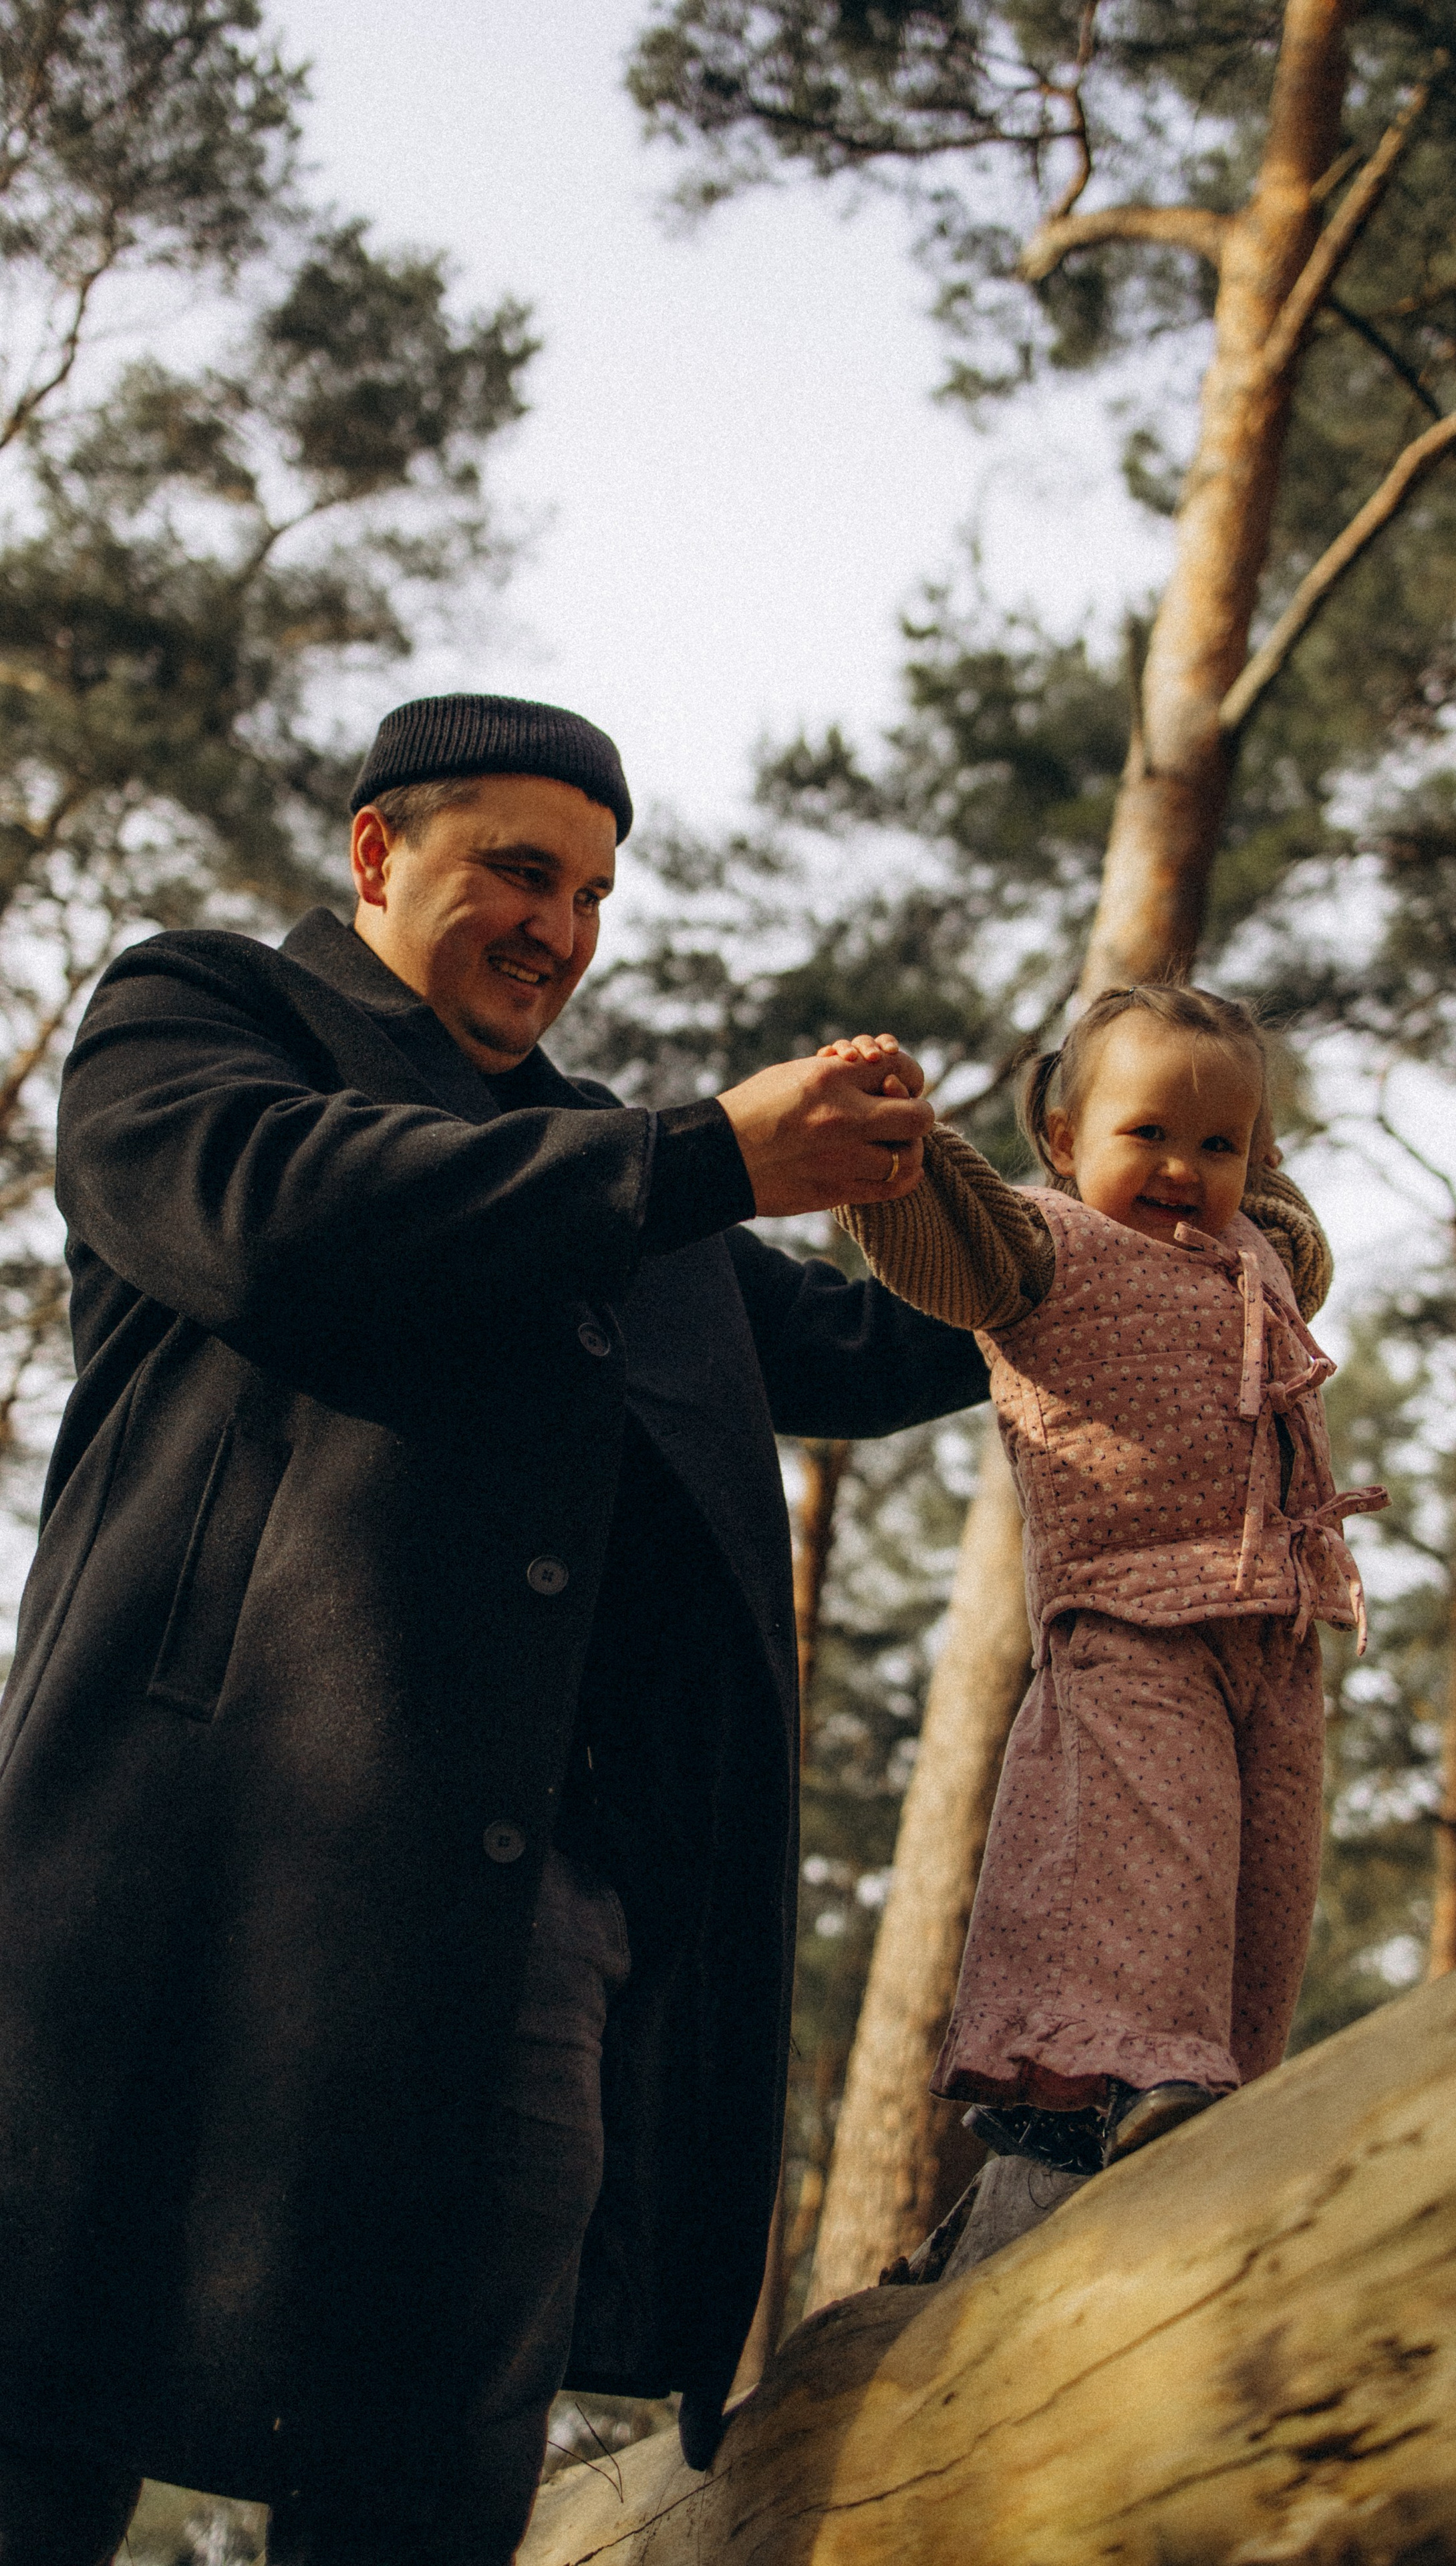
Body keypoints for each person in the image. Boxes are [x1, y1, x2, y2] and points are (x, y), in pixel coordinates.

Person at [0, 693, 989, 2566]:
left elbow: (860, 1350)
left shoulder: (618, 1166)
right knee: (39, 2408)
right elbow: (270, 1216)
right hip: (176, 1889)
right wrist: (702, 1156)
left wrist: (1108, 1241)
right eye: (519, 871)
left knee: (424, 2480)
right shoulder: (197, 1018)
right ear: (379, 855)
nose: (561, 927)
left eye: (596, 893)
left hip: (528, 1934)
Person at [829, 985, 1385, 2184]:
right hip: (1129, 1617)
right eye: (1148, 1134)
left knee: (1262, 1881)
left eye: (1219, 1143)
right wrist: (898, 1137)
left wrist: (1253, 1147)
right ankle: (1135, 2069)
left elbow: (1298, 1227)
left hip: (1275, 1631)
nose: (1185, 1168)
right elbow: (940, 1241)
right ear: (1069, 1139)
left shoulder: (1265, 1254)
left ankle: (1206, 2087)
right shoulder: (1040, 1247)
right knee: (1152, 1849)